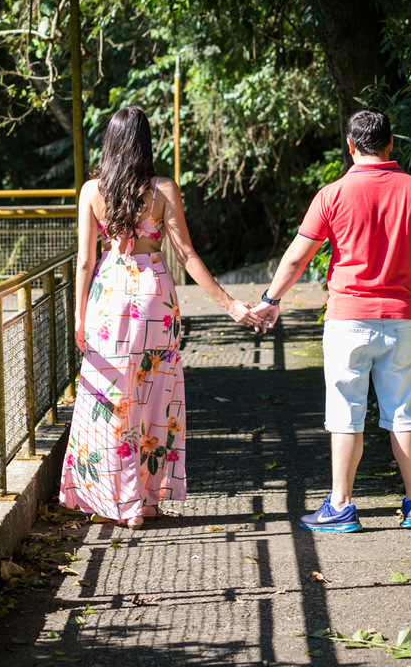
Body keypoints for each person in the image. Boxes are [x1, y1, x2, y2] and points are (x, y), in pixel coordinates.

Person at [61, 106, 265, 529]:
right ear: (145, 143)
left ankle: (123, 502)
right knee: (155, 394)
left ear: (111, 142)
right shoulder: (162, 189)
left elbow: (84, 261)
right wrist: (230, 305)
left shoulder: (91, 191)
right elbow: (186, 256)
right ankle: (149, 500)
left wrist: (79, 318)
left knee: (112, 397)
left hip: (110, 300)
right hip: (154, 296)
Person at [252, 109, 411, 532]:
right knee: (404, 411)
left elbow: (296, 257)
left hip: (348, 320)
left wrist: (271, 299)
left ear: (351, 146)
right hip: (402, 319)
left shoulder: (332, 194)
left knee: (346, 412)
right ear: (391, 144)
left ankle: (342, 506)